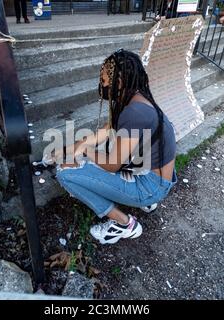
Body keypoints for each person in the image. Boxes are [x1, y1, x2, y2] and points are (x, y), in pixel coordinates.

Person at [52, 49, 177, 245]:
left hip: (151, 186)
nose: (101, 86)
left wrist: (83, 150)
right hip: (156, 176)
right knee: (87, 157)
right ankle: (145, 201)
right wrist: (71, 148)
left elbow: (112, 165)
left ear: (119, 82)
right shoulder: (137, 98)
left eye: (104, 81)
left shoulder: (133, 112)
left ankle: (124, 224)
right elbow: (106, 130)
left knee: (64, 172)